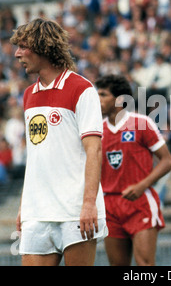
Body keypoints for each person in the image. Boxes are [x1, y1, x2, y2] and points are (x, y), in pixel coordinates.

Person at [10, 18, 107, 266]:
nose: (17, 53)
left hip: (74, 211)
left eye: (23, 46)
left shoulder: (81, 89)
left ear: (43, 47)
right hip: (37, 211)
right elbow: (37, 155)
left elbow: (94, 150)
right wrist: (25, 206)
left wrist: (88, 204)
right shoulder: (29, 95)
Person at [95, 74, 171, 266]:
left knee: (144, 264)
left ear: (120, 100)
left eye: (103, 95)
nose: (98, 100)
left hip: (140, 202)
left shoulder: (141, 123)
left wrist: (141, 186)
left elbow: (167, 161)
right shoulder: (96, 130)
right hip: (110, 205)